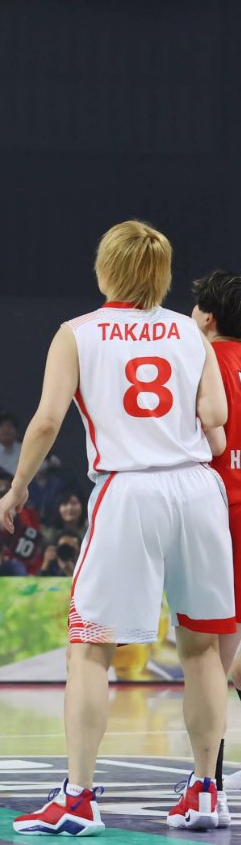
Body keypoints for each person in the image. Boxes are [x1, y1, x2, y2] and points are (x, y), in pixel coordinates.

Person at [3, 221, 233, 835]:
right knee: (203, 646)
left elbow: (49, 420)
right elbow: (217, 416)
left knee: (89, 648)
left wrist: (19, 484)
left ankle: (77, 800)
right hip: (197, 490)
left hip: (129, 490)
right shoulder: (191, 332)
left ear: (106, 270)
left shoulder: (76, 333)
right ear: (159, 275)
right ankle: (208, 790)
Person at [190, 270, 241, 803]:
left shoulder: (200, 361)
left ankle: (210, 784)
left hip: (222, 508)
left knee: (210, 658)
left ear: (207, 317)